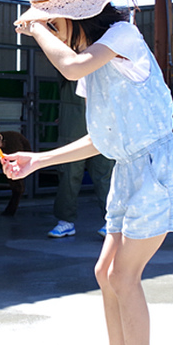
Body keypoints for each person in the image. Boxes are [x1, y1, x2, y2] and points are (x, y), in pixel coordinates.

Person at [2, 0, 173, 345]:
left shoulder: (121, 37)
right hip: (131, 170)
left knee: (123, 277)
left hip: (154, 170)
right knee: (106, 271)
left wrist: (36, 28)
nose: (52, 30)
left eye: (55, 20)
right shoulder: (100, 59)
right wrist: (40, 160)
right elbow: (104, 136)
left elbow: (69, 66)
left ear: (72, 16)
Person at [48, 78, 114, 239]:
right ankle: (65, 221)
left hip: (102, 126)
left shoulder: (104, 64)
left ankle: (112, 221)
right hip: (73, 126)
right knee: (68, 175)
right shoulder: (71, 67)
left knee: (105, 174)